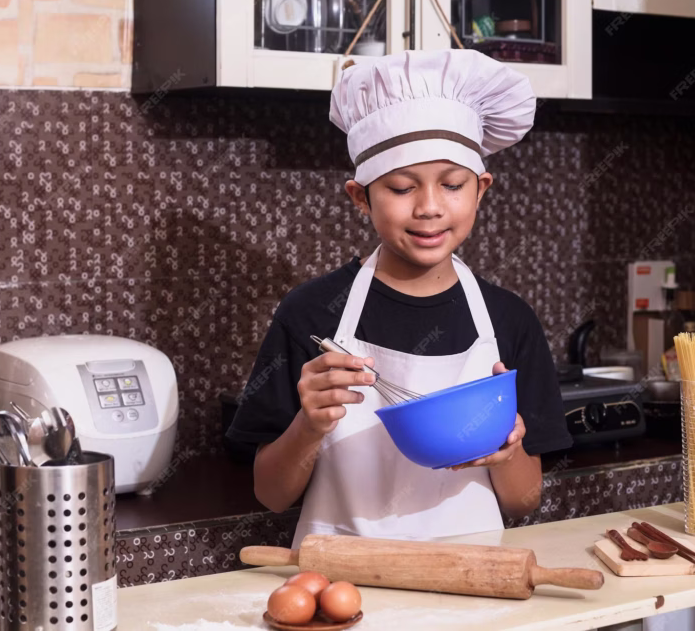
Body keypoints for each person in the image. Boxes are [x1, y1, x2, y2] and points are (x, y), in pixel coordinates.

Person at [226, 49, 572, 547]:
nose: (429, 208)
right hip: (344, 580)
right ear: (360, 197)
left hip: (470, 577)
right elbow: (271, 495)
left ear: (481, 190)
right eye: (402, 188)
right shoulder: (310, 313)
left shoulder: (509, 320)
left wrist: (507, 450)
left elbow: (524, 501)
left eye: (452, 185)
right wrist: (309, 424)